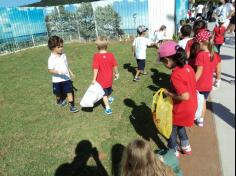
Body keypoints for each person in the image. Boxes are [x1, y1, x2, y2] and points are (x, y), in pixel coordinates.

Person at [158, 41, 197, 158]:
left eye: (164, 62)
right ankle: (186, 146)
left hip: (181, 108)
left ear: (168, 60)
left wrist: (169, 93)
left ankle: (172, 149)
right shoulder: (188, 67)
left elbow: (185, 96)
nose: (164, 64)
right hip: (191, 106)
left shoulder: (175, 75)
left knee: (171, 128)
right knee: (180, 125)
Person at [194, 30, 221, 127]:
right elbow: (217, 68)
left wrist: (192, 82)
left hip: (199, 85)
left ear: (201, 42)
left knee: (197, 102)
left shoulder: (200, 55)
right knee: (204, 102)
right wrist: (218, 80)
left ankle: (195, 117)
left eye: (197, 43)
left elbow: (199, 72)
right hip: (208, 85)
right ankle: (201, 120)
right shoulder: (214, 54)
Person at [47, 35, 79, 113]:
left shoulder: (63, 55)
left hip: (66, 78)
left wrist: (71, 73)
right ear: (53, 48)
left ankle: (72, 106)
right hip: (57, 80)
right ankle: (59, 101)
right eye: (59, 47)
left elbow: (66, 65)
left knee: (69, 91)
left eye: (62, 46)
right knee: (58, 93)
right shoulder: (51, 59)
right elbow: (50, 70)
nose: (61, 48)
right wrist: (59, 72)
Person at [92, 36, 119, 115]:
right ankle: (109, 98)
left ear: (97, 46)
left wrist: (94, 79)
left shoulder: (96, 56)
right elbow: (115, 66)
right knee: (109, 89)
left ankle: (107, 107)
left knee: (104, 94)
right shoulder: (111, 55)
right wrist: (117, 73)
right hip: (110, 78)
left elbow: (95, 68)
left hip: (101, 80)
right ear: (107, 46)